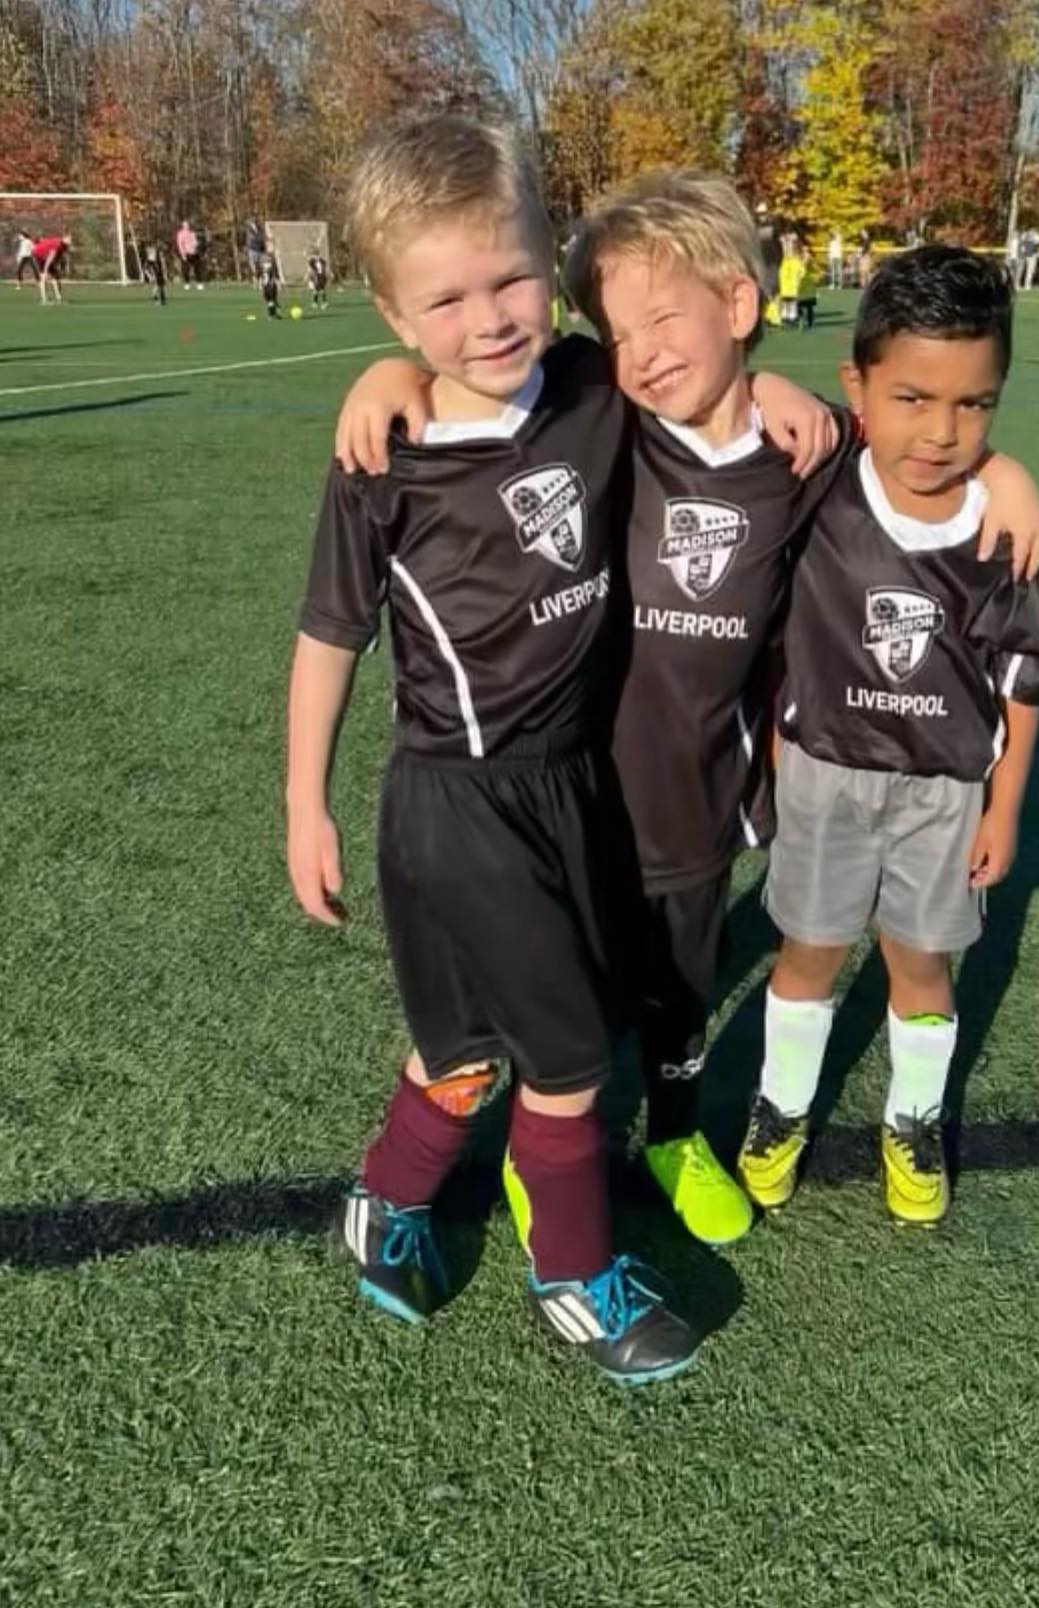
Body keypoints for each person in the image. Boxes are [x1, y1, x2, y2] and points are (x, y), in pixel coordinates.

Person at [332, 171, 1039, 1252]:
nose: (643, 353)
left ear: (740, 304)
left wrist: (1004, 473)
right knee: (555, 980)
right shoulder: (605, 417)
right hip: (573, 781)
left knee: (679, 983)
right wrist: (388, 368)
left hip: (702, 789)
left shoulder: (804, 456)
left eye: (663, 319)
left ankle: (673, 1134)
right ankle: (541, 1156)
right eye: (619, 333)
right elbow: (475, 385)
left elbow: (918, 446)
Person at [287, 113, 708, 1385]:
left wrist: (779, 389)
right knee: (572, 1061)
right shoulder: (387, 456)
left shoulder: (588, 387)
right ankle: (576, 1280)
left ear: (551, 250)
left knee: (464, 1049)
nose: (490, 318)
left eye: (513, 275)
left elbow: (698, 378)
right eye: (446, 299)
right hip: (458, 805)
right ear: (388, 310)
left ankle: (382, 1205)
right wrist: (303, 803)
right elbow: (328, 633)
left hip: (574, 782)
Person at [737, 247, 1039, 1227]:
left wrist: (1004, 808)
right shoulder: (822, 480)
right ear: (859, 389)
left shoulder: (1003, 530)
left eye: (975, 407)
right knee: (810, 952)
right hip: (825, 778)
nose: (941, 431)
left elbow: (1023, 681)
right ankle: (780, 1105)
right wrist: (758, 375)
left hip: (942, 795)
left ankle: (912, 1117)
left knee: (922, 965)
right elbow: (722, 400)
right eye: (912, 398)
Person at [32, 233, 70, 304]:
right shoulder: (57, 245)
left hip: (45, 256)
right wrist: (46, 270)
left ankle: (59, 298)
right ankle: (44, 299)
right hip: (39, 255)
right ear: (64, 239)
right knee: (43, 276)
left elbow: (62, 257)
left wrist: (64, 266)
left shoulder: (65, 246)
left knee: (55, 276)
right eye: (68, 238)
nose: (70, 240)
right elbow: (50, 258)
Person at [175, 219, 202, 290]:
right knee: (186, 269)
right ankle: (187, 284)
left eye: (188, 225)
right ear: (183, 226)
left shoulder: (192, 233)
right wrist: (183, 254)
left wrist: (196, 246)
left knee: (197, 269)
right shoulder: (180, 234)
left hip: (194, 253)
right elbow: (180, 244)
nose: (187, 227)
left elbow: (195, 242)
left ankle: (199, 283)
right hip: (186, 253)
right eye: (186, 225)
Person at [142, 240, 168, 306]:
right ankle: (160, 300)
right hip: (156, 272)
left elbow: (162, 263)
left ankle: (161, 300)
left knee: (159, 286)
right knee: (158, 286)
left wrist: (164, 272)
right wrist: (150, 276)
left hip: (159, 272)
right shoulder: (150, 260)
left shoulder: (158, 254)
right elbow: (146, 268)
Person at [243, 216, 266, 283]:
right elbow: (253, 239)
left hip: (260, 250)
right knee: (253, 268)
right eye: (252, 221)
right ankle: (255, 280)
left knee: (261, 267)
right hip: (252, 250)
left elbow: (262, 237)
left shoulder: (259, 229)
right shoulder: (249, 230)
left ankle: (261, 280)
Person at [259, 250, 281, 319]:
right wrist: (277, 281)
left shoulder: (262, 264)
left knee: (270, 301)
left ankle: (273, 314)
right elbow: (274, 275)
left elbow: (260, 275)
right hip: (270, 285)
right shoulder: (272, 265)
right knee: (272, 300)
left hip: (264, 284)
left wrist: (260, 284)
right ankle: (271, 314)